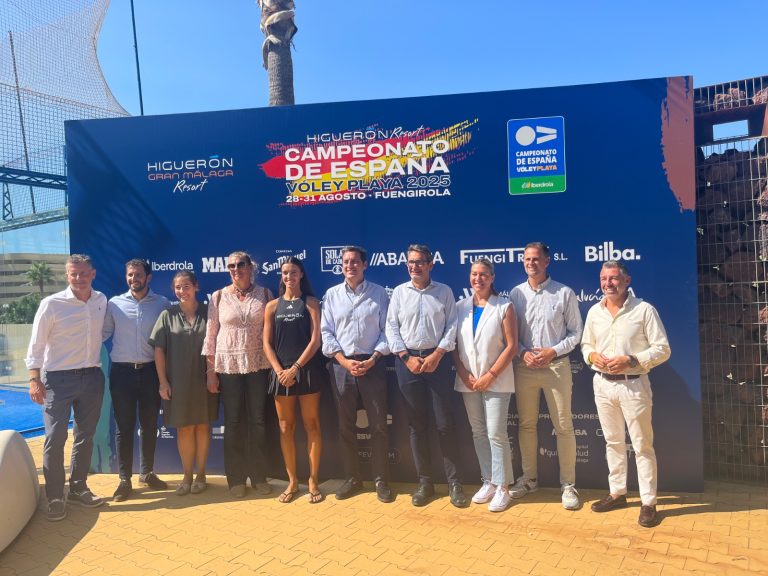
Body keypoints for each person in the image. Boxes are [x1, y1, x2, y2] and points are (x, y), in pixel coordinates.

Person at [581, 260, 670, 528]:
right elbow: (586, 345)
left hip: (634, 384)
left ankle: (648, 502)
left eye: (614, 278)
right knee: (613, 442)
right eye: (604, 278)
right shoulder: (594, 312)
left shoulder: (644, 310)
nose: (609, 283)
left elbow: (663, 349)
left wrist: (631, 360)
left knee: (642, 445)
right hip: (603, 385)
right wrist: (592, 356)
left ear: (627, 280)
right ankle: (617, 493)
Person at [26, 254, 107, 521]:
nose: (79, 278)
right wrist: (34, 378)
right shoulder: (51, 304)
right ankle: (55, 497)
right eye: (74, 274)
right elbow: (36, 344)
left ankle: (78, 487)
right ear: (67, 275)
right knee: (55, 438)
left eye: (83, 273)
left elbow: (101, 333)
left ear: (92, 274)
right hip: (57, 381)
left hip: (92, 377)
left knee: (85, 437)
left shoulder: (100, 301)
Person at [385, 244, 467, 508]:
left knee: (444, 424)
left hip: (437, 362)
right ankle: (425, 483)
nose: (414, 266)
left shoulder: (444, 292)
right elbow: (391, 328)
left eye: (420, 262)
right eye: (410, 262)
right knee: (416, 426)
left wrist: (437, 354)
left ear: (431, 264)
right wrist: (406, 358)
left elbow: (452, 325)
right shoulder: (398, 293)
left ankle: (454, 483)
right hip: (407, 363)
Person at [509, 242, 583, 510]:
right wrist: (522, 353)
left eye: (536, 259)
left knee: (563, 427)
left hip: (556, 367)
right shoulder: (516, 294)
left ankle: (568, 486)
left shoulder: (564, 293)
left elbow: (576, 333)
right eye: (527, 259)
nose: (531, 263)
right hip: (525, 368)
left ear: (547, 261)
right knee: (526, 425)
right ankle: (529, 479)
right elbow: (511, 335)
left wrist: (553, 351)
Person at [320, 246, 393, 503]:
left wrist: (373, 358)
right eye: (346, 262)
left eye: (355, 262)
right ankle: (353, 478)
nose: (349, 265)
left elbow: (388, 331)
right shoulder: (331, 295)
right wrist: (343, 360)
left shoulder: (379, 293)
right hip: (342, 367)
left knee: (378, 427)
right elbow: (326, 333)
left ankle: (381, 479)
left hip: (373, 365)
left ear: (364, 265)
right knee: (345, 427)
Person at [202, 251, 273, 498]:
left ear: (250, 266)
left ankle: (259, 476)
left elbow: (270, 332)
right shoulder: (218, 296)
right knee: (233, 423)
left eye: (240, 264)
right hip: (228, 368)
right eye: (231, 265)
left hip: (258, 365)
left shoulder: (265, 294)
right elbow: (210, 336)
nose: (236, 269)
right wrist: (211, 373)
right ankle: (235, 479)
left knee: (258, 422)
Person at [453, 258, 518, 512]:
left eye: (483, 275)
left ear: (492, 278)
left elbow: (512, 346)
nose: (477, 279)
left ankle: (503, 487)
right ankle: (489, 480)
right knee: (479, 432)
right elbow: (454, 348)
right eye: (473, 274)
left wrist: (490, 375)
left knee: (496, 433)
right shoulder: (459, 307)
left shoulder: (504, 306)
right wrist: (465, 374)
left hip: (497, 380)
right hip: (468, 380)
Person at [102, 258, 170, 502]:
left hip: (151, 372)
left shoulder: (162, 303)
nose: (134, 279)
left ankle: (147, 473)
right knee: (124, 428)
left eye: (138, 274)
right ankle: (124, 480)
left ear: (148, 277)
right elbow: (102, 333)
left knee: (150, 425)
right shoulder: (114, 304)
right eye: (130, 275)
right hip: (122, 373)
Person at [264, 257, 328, 504]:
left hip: (308, 371)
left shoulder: (311, 303)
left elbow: (316, 341)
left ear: (301, 275)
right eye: (284, 273)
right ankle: (292, 481)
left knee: (312, 425)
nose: (288, 276)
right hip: (281, 374)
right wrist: (281, 370)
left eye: (293, 272)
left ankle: (312, 480)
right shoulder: (271, 306)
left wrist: (296, 368)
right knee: (284, 427)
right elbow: (266, 344)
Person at [150, 271, 218, 495]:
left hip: (205, 380)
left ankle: (201, 475)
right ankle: (187, 475)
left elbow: (217, 346)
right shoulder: (166, 315)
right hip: (177, 383)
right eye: (178, 287)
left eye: (186, 286)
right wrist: (162, 382)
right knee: (185, 429)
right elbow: (159, 350)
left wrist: (212, 374)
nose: (182, 291)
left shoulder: (210, 313)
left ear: (196, 287)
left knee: (202, 426)